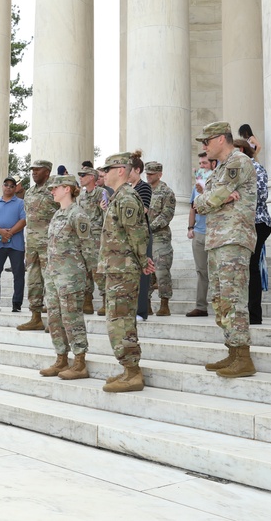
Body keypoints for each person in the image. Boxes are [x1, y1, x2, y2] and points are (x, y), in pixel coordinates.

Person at [194, 122, 257, 378]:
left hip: (234, 237)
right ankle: (232, 350)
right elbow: (200, 202)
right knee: (220, 299)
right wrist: (217, 198)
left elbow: (211, 198)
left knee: (233, 298)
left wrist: (215, 198)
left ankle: (243, 357)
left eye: (206, 141)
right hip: (217, 239)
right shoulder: (219, 169)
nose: (204, 146)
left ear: (221, 139)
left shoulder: (238, 162)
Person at [97, 153, 153, 392]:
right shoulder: (118, 196)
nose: (104, 174)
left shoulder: (127, 197)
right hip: (116, 268)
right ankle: (127, 369)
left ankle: (133, 373)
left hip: (124, 269)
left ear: (120, 170)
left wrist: (143, 260)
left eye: (108, 169)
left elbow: (137, 234)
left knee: (121, 321)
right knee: (117, 320)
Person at [39, 175, 96, 380]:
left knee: (72, 318)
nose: (52, 191)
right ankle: (61, 358)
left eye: (56, 187)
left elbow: (89, 247)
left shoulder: (77, 214)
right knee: (54, 318)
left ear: (68, 189)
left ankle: (80, 362)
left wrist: (94, 276)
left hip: (71, 275)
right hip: (54, 276)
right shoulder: (57, 215)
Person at [233, 139, 271, 325]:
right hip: (240, 224)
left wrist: (234, 198)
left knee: (252, 267)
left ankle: (254, 315)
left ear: (241, 150)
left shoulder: (256, 168)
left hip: (257, 222)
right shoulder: (233, 171)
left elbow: (262, 195)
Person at [19, 160, 59, 331]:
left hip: (49, 245)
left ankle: (54, 320)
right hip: (32, 245)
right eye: (32, 170)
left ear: (47, 172)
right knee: (34, 281)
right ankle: (35, 317)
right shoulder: (29, 192)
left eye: (37, 170)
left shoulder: (55, 190)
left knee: (50, 283)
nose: (34, 173)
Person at [0, 176, 27, 312]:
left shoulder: (21, 203)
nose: (8, 187)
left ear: (15, 188)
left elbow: (23, 220)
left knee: (18, 274)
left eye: (11, 186)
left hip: (16, 245)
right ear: (2, 186)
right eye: (6, 185)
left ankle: (17, 304)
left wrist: (9, 233)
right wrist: (1, 232)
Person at [144, 161, 176, 317]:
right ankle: (147, 304)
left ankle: (164, 303)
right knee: (146, 270)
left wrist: (150, 227)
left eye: (151, 174)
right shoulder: (142, 191)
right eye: (147, 173)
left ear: (159, 174)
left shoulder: (166, 192)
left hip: (160, 237)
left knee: (161, 270)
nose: (148, 176)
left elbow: (166, 215)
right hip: (144, 237)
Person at [186, 152, 215, 317]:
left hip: (214, 234)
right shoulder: (196, 187)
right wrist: (190, 228)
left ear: (212, 165)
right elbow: (192, 208)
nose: (202, 166)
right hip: (199, 233)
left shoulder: (216, 184)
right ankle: (201, 306)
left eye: (205, 163)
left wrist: (204, 191)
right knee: (201, 271)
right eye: (200, 164)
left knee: (216, 271)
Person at [128, 150, 154, 320]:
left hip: (142, 234)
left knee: (143, 273)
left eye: (129, 169)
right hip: (130, 234)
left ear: (137, 170)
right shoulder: (127, 188)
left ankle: (141, 311)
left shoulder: (144, 187)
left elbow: (143, 209)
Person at [76, 166, 105, 314]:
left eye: (83, 175)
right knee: (85, 269)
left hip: (96, 236)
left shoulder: (101, 193)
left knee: (97, 269)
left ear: (92, 177)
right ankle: (88, 300)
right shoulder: (81, 196)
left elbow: (106, 214)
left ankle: (105, 299)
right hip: (84, 237)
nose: (80, 177)